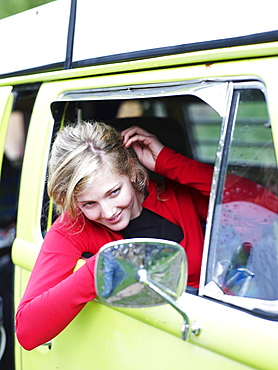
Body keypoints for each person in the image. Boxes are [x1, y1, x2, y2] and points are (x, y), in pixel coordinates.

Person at [15, 120, 214, 350]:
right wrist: (99, 268)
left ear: (130, 170)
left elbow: (258, 209)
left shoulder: (173, 196)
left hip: (209, 329)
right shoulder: (75, 226)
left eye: (114, 192)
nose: (108, 212)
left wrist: (169, 162)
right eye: (89, 203)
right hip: (141, 347)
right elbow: (27, 331)